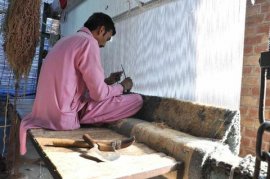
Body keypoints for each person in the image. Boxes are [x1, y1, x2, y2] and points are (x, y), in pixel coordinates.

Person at [19, 12, 143, 155]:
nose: (104, 44)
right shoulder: (89, 43)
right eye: (107, 39)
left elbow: (71, 82)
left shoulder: (65, 41)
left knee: (106, 94)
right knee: (136, 100)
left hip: (43, 113)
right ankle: (90, 117)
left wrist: (107, 82)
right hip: (62, 117)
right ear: (101, 30)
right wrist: (122, 86)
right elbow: (99, 95)